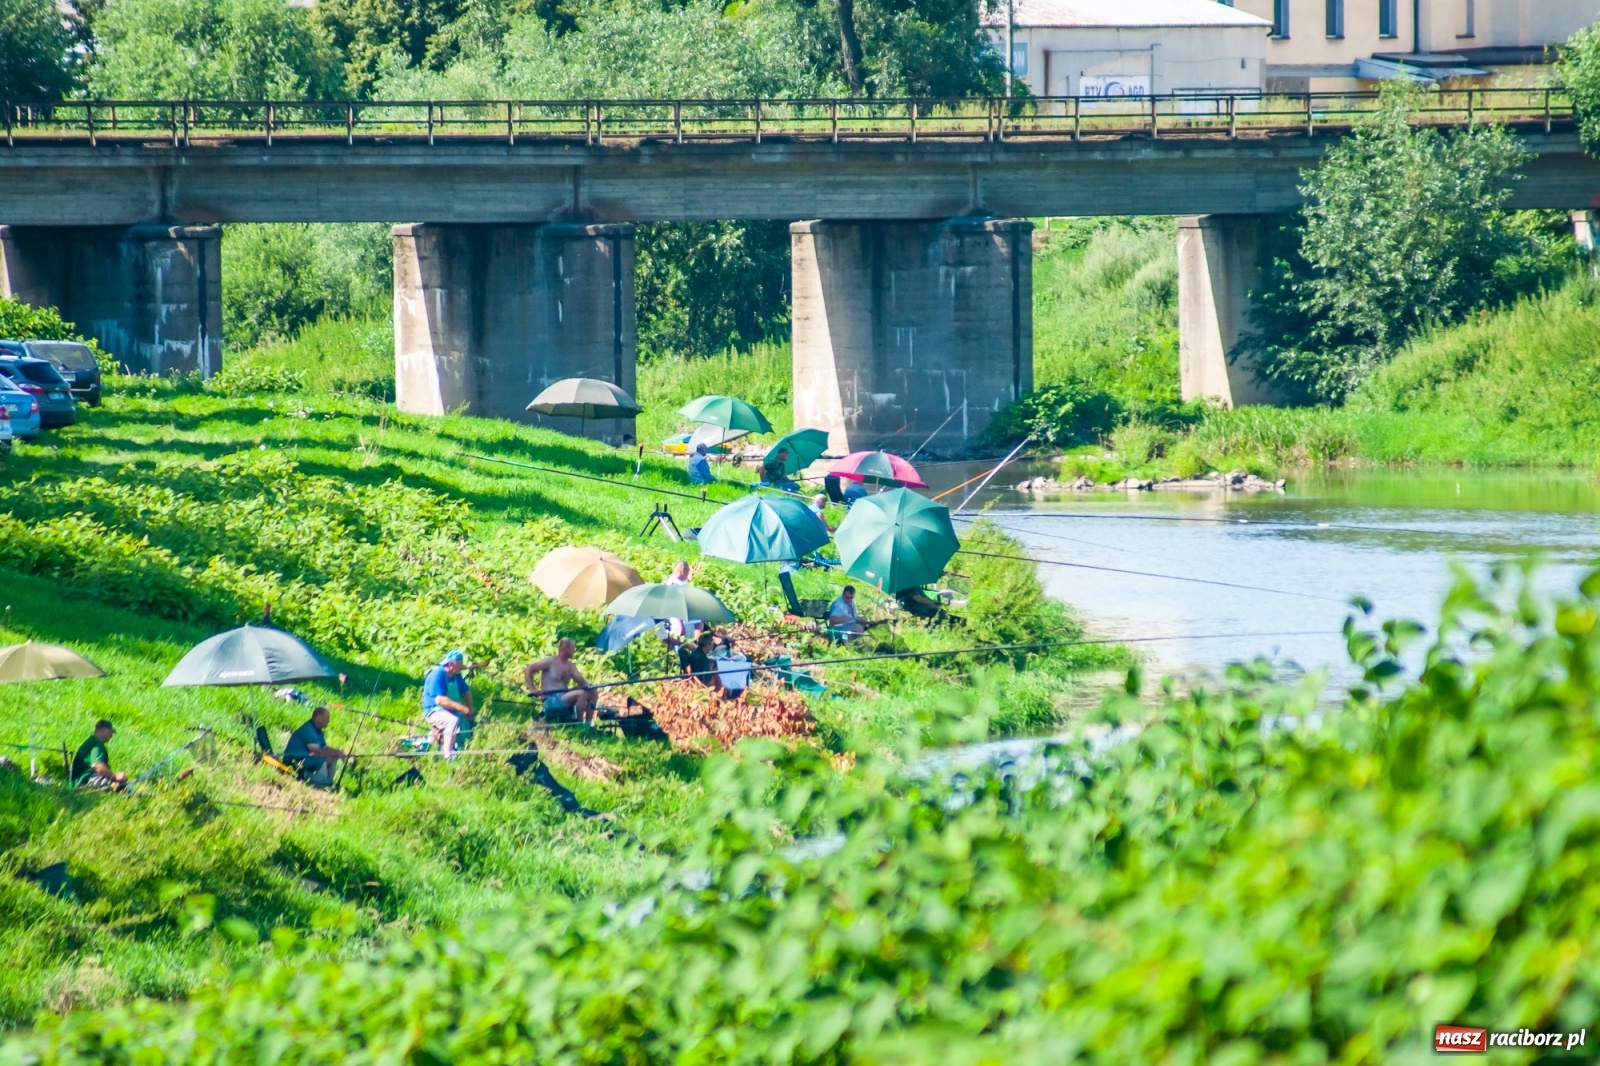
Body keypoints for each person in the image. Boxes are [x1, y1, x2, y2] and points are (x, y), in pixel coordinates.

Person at [526, 638, 598, 726]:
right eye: (573, 648)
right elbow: (528, 669)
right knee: (581, 693)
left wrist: (592, 687)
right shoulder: (550, 661)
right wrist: (533, 689)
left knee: (593, 692)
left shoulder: (571, 666)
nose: (574, 650)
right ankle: (579, 725)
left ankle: (587, 725)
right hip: (551, 700)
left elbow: (582, 682)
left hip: (564, 696)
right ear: (565, 648)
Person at [423, 650, 475, 758]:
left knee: (472, 723)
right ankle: (448, 754)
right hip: (434, 711)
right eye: (460, 665)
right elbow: (440, 700)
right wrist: (462, 709)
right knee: (452, 721)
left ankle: (461, 748)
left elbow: (467, 691)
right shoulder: (438, 674)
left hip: (451, 710)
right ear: (452, 664)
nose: (461, 668)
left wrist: (470, 709)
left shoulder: (456, 675)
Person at [283, 706, 351, 787]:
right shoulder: (308, 729)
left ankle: (328, 784)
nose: (328, 721)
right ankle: (320, 786)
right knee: (321, 760)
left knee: (333, 759)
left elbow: (324, 748)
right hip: (294, 762)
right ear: (319, 717)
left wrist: (338, 753)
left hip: (305, 758)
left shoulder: (318, 731)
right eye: (327, 718)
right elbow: (316, 752)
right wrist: (336, 753)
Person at [71, 719, 127, 791]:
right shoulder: (97, 744)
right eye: (110, 732)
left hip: (78, 778)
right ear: (103, 730)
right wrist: (115, 777)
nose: (111, 735)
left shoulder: (91, 741)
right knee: (120, 785)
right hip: (86, 779)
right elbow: (97, 765)